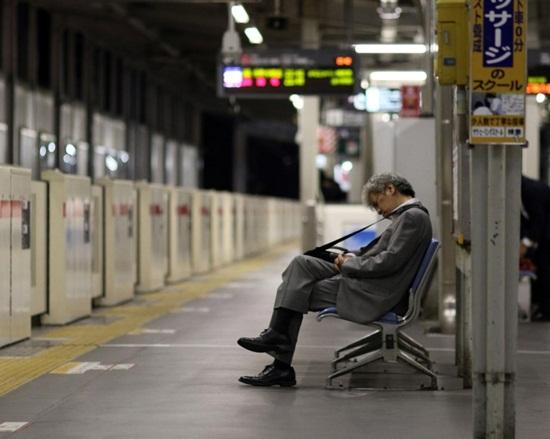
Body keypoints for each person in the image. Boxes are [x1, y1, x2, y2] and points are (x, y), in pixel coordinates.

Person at [237, 173, 433, 387]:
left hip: (375, 292)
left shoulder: (412, 217)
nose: (378, 211)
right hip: (371, 280)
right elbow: (380, 254)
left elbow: (388, 262)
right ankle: (277, 336)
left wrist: (348, 264)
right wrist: (347, 256)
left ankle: (280, 363)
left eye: (377, 203)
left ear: (390, 189)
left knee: (298, 291)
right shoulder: (408, 216)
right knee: (301, 264)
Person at [520, 175, 550, 320]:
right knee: (536, 269)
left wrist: (525, 244)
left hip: (546, 233)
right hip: (542, 235)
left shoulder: (531, 191)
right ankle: (538, 306)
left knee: (545, 271)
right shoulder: (521, 191)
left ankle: (546, 311)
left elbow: (538, 219)